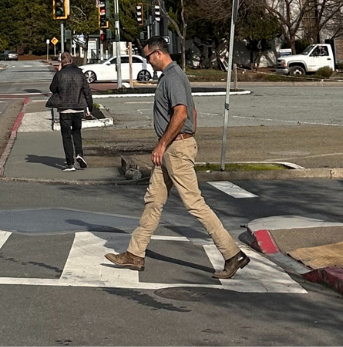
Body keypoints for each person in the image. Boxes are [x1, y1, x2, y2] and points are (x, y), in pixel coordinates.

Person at [105, 36, 250, 280]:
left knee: (194, 204)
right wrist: (184, 136)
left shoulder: (172, 77)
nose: (148, 62)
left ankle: (232, 254)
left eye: (149, 57)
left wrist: (168, 142)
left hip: (174, 148)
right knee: (154, 200)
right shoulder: (173, 76)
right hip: (172, 147)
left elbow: (182, 113)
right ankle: (135, 253)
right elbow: (192, 111)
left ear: (158, 53)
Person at [47, 52, 92, 171]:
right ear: (72, 60)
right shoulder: (80, 73)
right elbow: (87, 91)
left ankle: (70, 163)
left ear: (62, 62)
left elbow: (53, 88)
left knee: (66, 136)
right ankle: (79, 154)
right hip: (78, 107)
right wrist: (89, 107)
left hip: (64, 108)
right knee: (77, 132)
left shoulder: (60, 74)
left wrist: (59, 71)